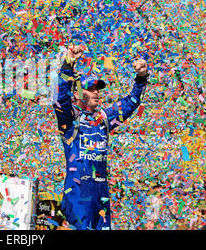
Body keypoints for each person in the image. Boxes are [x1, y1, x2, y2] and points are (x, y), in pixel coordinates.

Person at [53, 43, 149, 230]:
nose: (97, 92)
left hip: (100, 193)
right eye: (91, 88)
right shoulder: (70, 119)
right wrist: (68, 65)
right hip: (78, 193)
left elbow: (132, 101)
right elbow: (60, 98)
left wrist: (141, 77)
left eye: (98, 88)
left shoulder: (104, 118)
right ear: (79, 93)